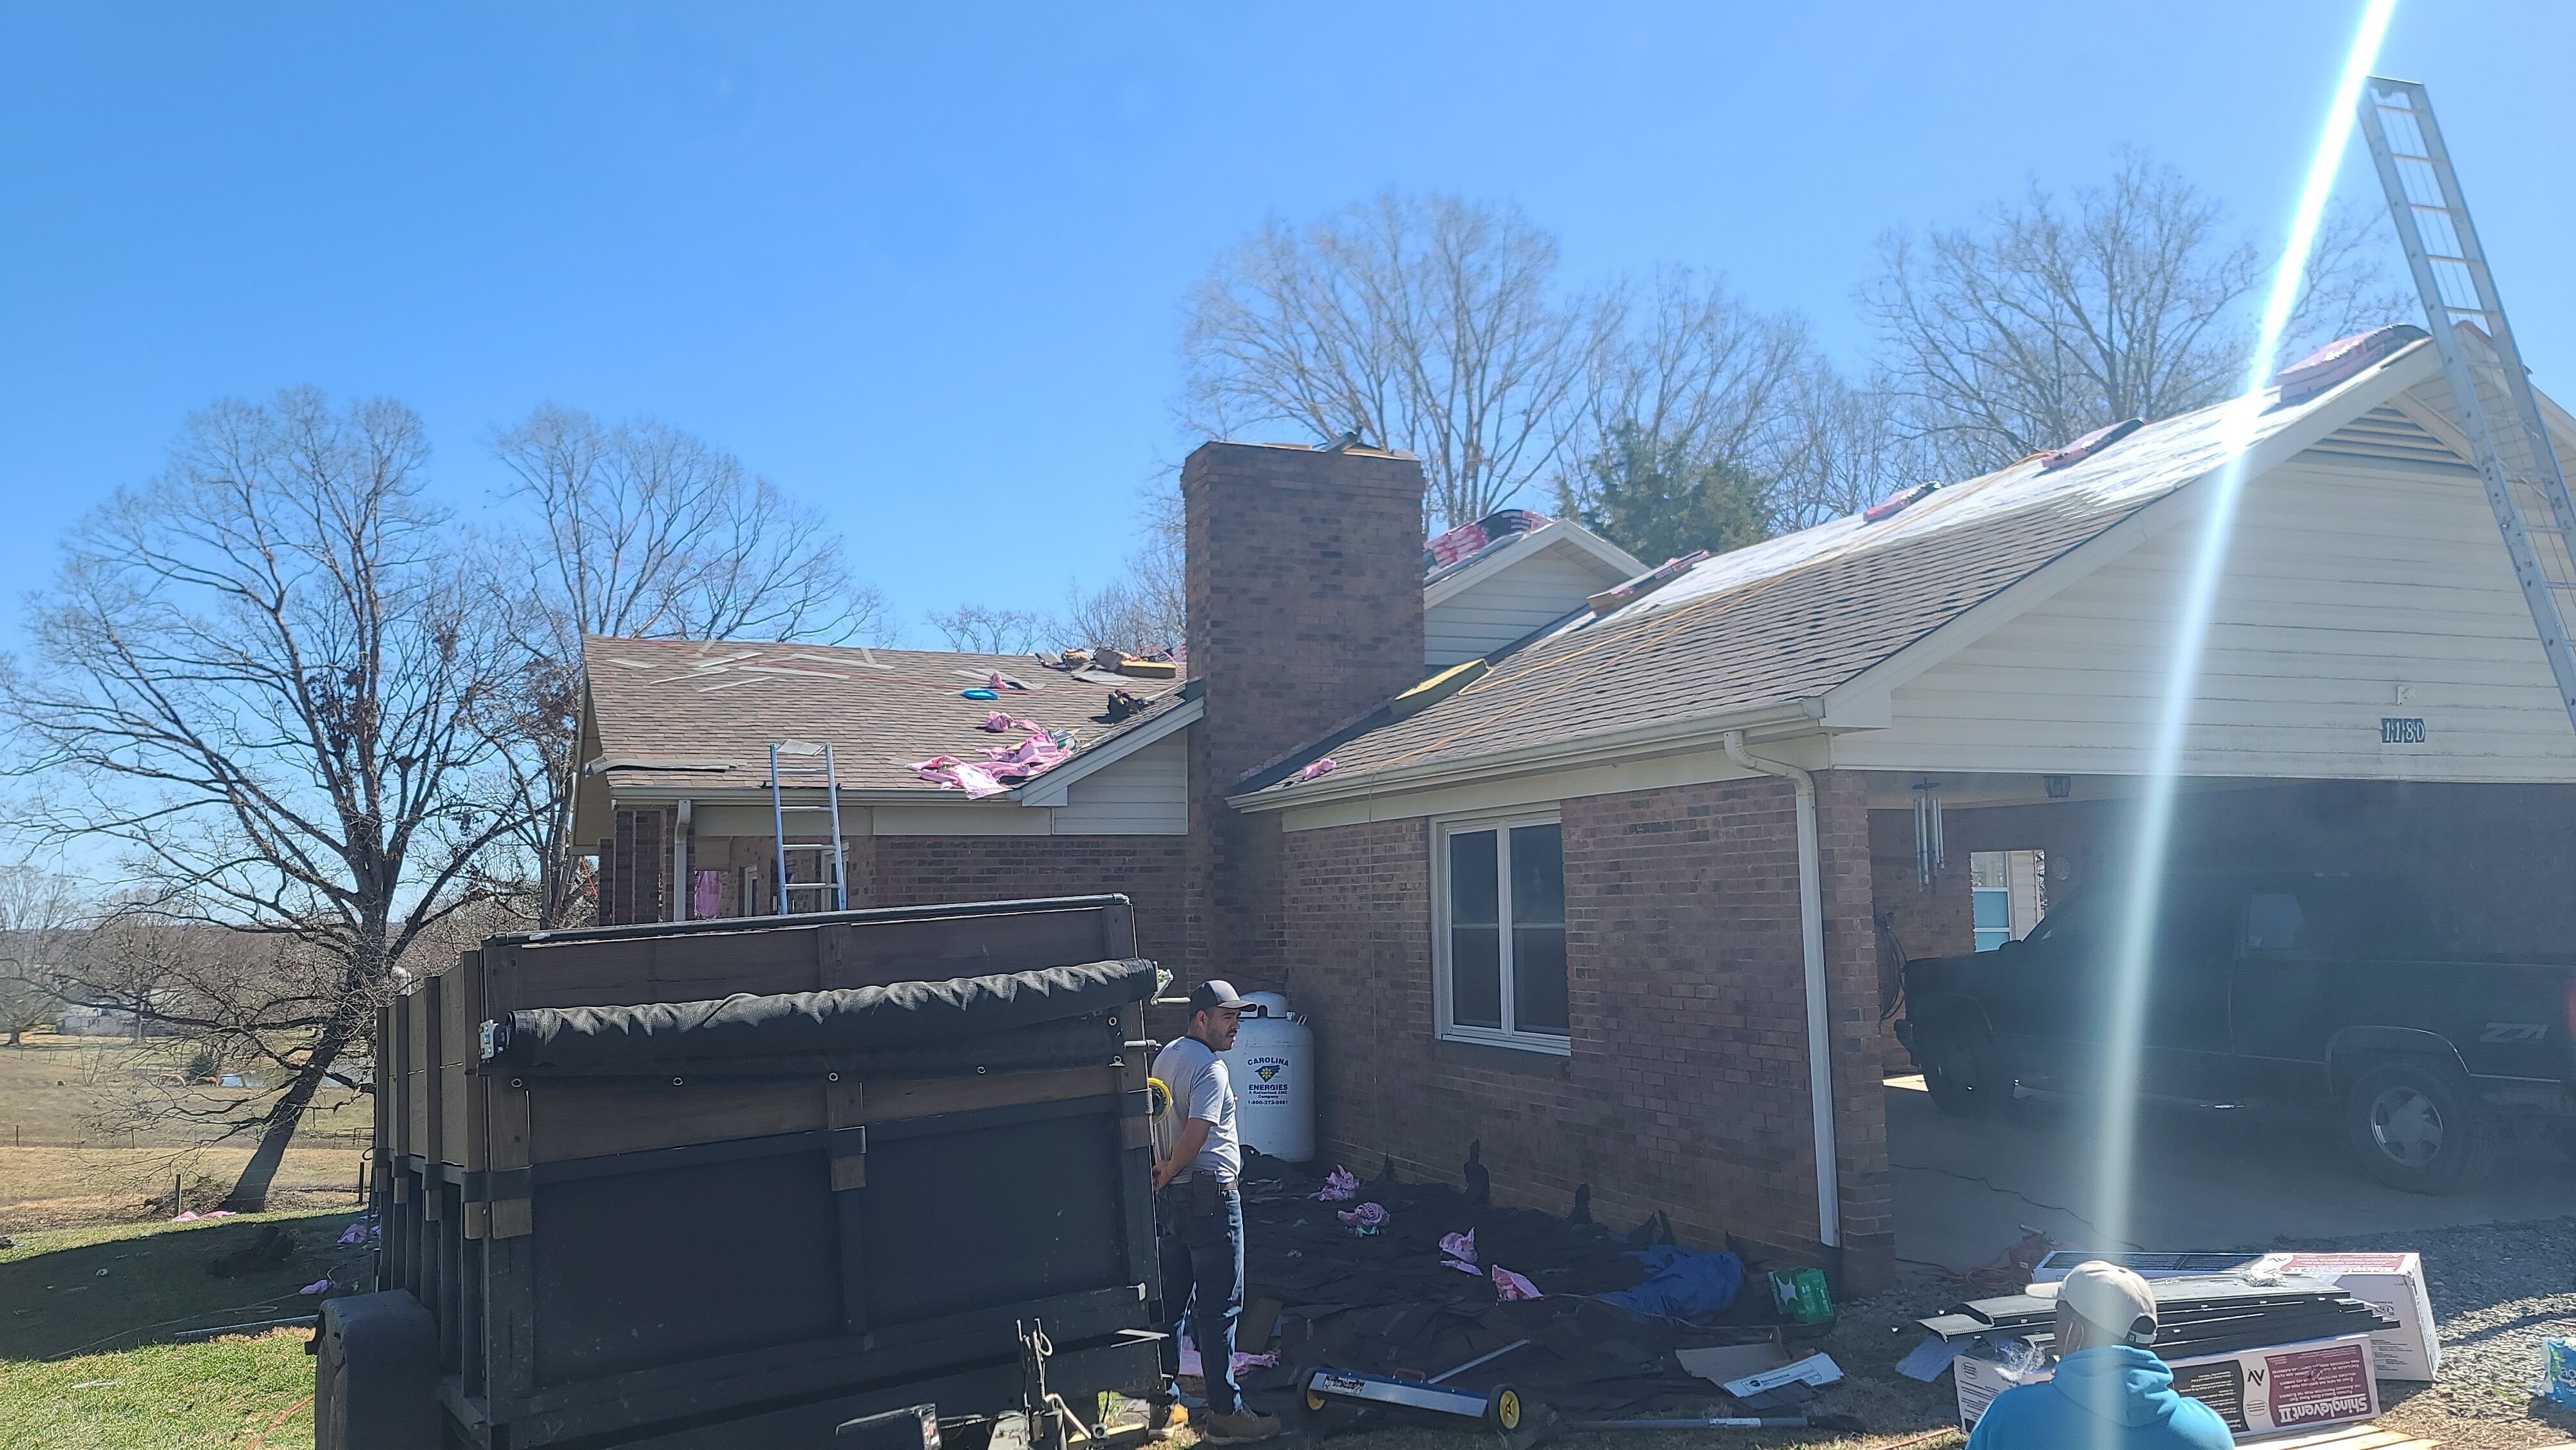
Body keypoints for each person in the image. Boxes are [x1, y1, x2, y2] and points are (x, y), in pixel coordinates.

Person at [1148, 979, 1280, 1444]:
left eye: (1238, 1018)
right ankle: (1226, 1413)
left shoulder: (1166, 1057)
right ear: (1201, 1018)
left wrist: (1162, 1173)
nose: (1236, 1028)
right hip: (1211, 1200)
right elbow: (1199, 1131)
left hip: (1173, 1204)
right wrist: (1171, 1169)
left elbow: (1157, 1119)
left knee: (1170, 1306)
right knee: (1220, 1309)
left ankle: (1162, 1405)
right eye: (1228, 1018)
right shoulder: (1210, 1069)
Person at [1967, 1261, 2233, 1450]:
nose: (2053, 1329)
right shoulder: (2208, 1431)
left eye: (2059, 1316)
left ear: (2077, 1328)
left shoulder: (2014, 1414)